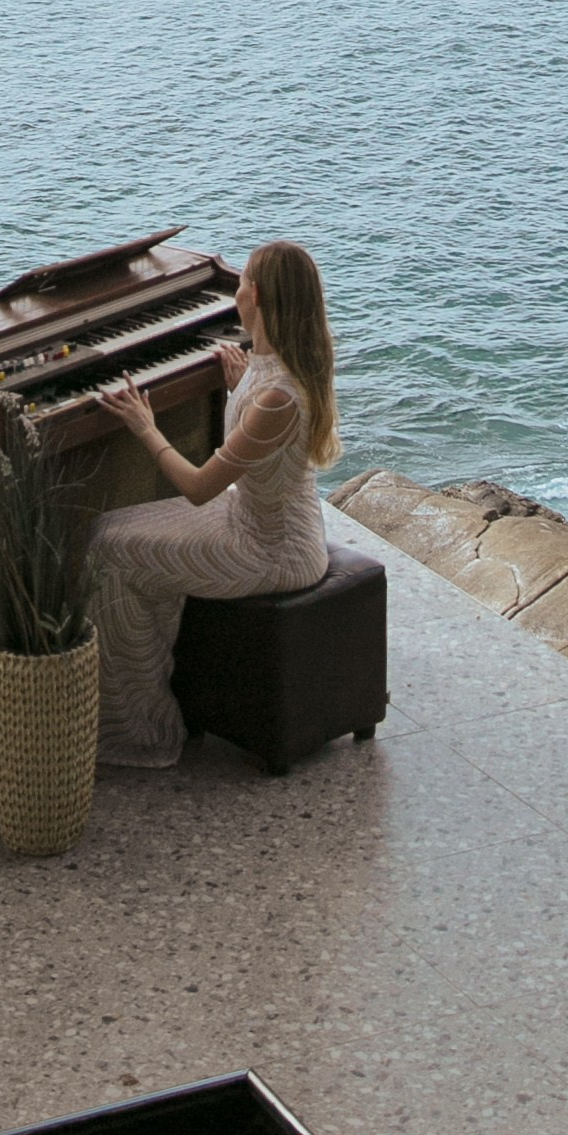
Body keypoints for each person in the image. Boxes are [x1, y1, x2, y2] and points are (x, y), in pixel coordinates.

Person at [89, 238, 338, 767]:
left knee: (111, 550)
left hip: (271, 551)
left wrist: (145, 427)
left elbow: (200, 489)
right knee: (108, 529)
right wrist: (240, 386)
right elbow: (261, 430)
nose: (236, 290)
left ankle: (143, 732)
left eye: (243, 281)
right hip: (262, 522)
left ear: (260, 297)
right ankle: (150, 690)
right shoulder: (274, 369)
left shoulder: (276, 398)